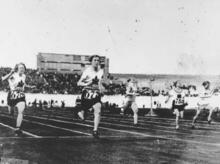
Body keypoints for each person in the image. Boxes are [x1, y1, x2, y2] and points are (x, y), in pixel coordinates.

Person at [1, 63, 35, 135]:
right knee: (11, 112)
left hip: (20, 95)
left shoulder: (24, 76)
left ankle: (18, 128)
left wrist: (29, 86)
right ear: (17, 69)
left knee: (21, 111)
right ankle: (11, 111)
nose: (22, 69)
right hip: (12, 95)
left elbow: (23, 84)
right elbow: (3, 79)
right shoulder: (13, 75)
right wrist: (10, 73)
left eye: (23, 68)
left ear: (25, 69)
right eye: (20, 68)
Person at [77, 55, 105, 138]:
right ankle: (78, 112)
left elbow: (99, 82)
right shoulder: (87, 71)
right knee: (83, 116)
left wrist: (101, 90)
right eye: (95, 60)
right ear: (91, 61)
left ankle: (95, 130)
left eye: (98, 60)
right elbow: (78, 83)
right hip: (87, 94)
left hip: (96, 93)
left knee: (98, 109)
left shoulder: (101, 71)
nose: (97, 62)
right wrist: (87, 84)